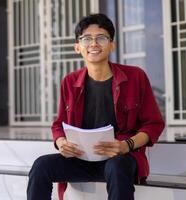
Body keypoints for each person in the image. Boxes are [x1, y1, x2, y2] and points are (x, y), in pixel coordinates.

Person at [27, 13, 165, 200]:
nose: (94, 44)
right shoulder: (70, 81)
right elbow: (58, 124)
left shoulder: (135, 77)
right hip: (80, 158)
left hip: (118, 159)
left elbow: (153, 124)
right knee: (40, 166)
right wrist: (62, 143)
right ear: (78, 47)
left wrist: (126, 145)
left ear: (112, 45)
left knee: (117, 166)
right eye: (86, 39)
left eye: (101, 37)